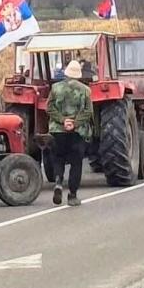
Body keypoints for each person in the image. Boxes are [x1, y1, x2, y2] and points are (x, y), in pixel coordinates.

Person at [47, 60, 93, 207]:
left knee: (58, 159)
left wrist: (62, 121)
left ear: (66, 73)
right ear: (78, 74)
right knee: (76, 163)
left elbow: (49, 108)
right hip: (77, 133)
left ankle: (58, 183)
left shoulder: (55, 88)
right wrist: (75, 123)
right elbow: (88, 112)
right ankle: (72, 195)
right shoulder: (85, 90)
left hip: (57, 131)